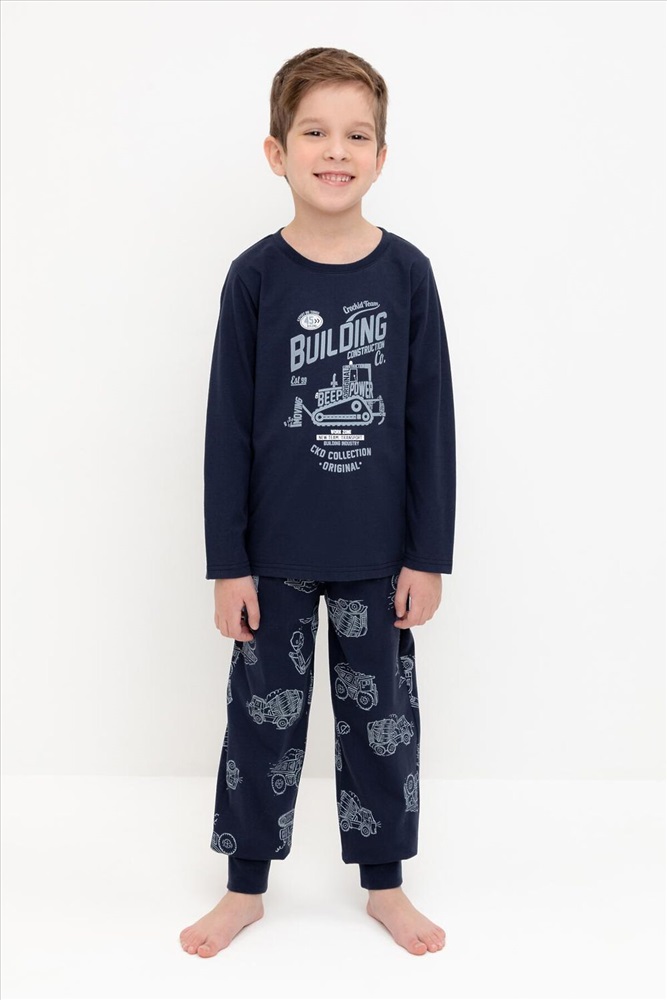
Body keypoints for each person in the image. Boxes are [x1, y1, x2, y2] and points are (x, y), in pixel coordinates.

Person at [180, 46, 456, 959]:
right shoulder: (254, 278)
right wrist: (228, 564)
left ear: (381, 156)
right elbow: (226, 429)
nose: (335, 150)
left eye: (356, 135)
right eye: (314, 132)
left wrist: (427, 555)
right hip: (274, 557)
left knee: (381, 726)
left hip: (379, 555)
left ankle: (384, 884)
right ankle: (244, 887)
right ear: (277, 152)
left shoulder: (407, 275)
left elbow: (429, 424)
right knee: (261, 726)